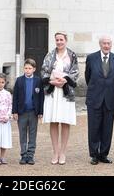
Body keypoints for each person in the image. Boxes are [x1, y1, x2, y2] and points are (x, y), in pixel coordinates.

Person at [41, 32, 79, 165]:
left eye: (61, 39)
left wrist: (65, 80)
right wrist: (52, 81)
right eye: (57, 40)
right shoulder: (50, 55)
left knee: (64, 121)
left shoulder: (72, 55)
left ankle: (63, 152)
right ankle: (55, 151)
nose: (59, 42)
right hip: (52, 91)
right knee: (53, 121)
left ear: (66, 40)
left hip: (66, 92)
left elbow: (75, 72)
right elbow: (44, 71)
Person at [85, 35, 114, 165]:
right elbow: (88, 77)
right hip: (94, 98)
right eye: (104, 43)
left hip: (110, 99)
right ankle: (94, 154)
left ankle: (103, 154)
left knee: (107, 128)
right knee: (94, 128)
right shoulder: (91, 58)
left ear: (111, 45)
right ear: (100, 44)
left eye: (109, 43)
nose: (106, 46)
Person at [12, 58, 44, 165]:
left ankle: (30, 155)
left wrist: (40, 112)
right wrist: (15, 111)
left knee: (32, 133)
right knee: (22, 134)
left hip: (33, 112)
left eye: (30, 68)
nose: (27, 70)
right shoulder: (19, 80)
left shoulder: (38, 81)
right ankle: (23, 154)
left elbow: (41, 97)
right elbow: (15, 96)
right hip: (22, 112)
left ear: (34, 69)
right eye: (26, 68)